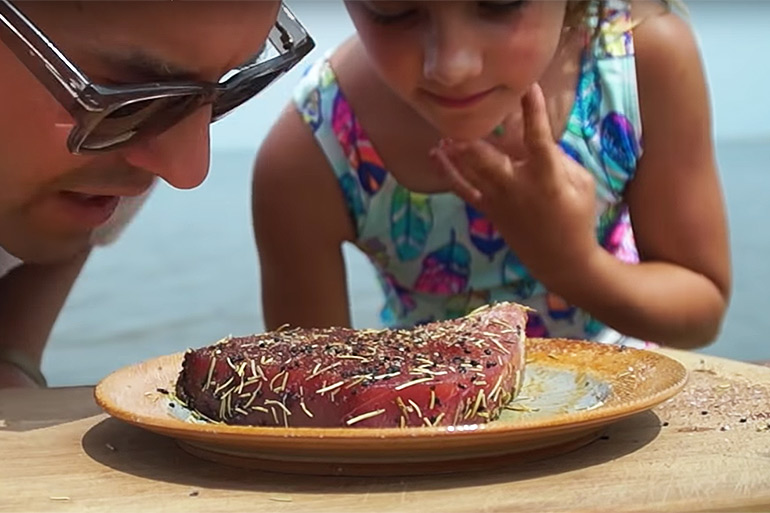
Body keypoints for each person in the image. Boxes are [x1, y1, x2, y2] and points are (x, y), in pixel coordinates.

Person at [252, 0, 731, 350]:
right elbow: (306, 393)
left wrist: (573, 265)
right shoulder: (312, 153)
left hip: (621, 424)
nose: (452, 66)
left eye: (501, 2)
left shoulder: (639, 59)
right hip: (436, 443)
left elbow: (699, 313)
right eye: (393, 9)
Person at [0, 0, 314, 387]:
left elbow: (67, 232)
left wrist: (15, 357)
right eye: (129, 93)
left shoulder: (117, 154)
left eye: (226, 89)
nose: (187, 169)